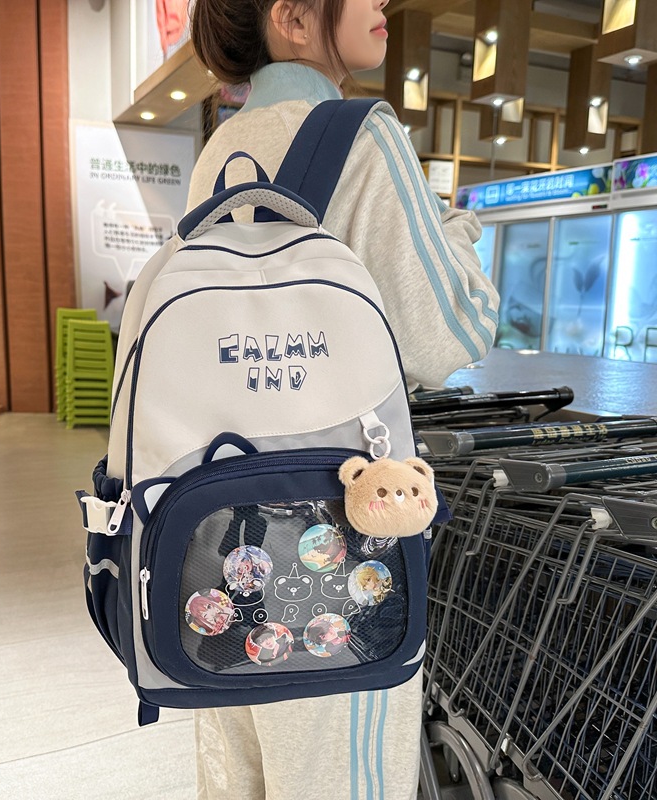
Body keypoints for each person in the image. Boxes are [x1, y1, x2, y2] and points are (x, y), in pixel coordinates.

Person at [187, 1, 499, 798]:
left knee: (241, 775)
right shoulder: (362, 136)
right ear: (294, 18)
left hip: (218, 537)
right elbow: (451, 333)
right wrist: (455, 232)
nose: (382, 2)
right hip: (335, 548)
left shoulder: (220, 149)